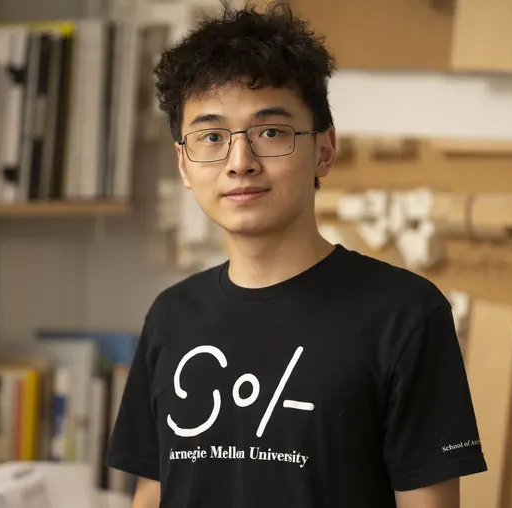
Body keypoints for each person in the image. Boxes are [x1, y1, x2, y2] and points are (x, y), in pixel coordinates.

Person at [105, 2, 488, 507]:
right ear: (183, 162)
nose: (239, 163)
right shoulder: (172, 316)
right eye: (212, 137)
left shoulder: (406, 314)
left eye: (270, 133)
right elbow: (152, 493)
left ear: (324, 150)